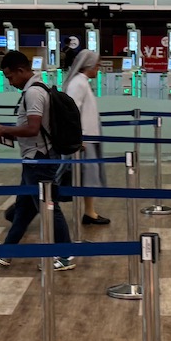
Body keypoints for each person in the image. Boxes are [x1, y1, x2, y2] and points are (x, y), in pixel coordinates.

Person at [0, 50, 73, 269]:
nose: (10, 82)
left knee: (49, 208)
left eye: (10, 77)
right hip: (33, 158)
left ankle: (65, 255)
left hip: (39, 160)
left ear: (21, 70)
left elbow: (33, 128)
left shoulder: (33, 93)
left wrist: (3, 129)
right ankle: (8, 250)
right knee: (24, 208)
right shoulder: (36, 89)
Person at [65, 49, 108, 226]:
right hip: (84, 139)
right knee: (83, 177)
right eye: (97, 65)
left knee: (88, 177)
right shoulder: (78, 84)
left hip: (88, 136)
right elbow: (70, 111)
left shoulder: (83, 82)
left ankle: (90, 212)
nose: (98, 68)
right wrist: (77, 137)